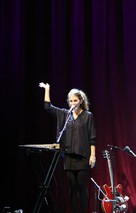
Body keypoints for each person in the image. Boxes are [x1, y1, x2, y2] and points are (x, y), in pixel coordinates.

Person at [39, 82, 96, 213]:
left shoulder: (88, 116)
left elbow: (92, 137)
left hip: (82, 156)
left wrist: (93, 155)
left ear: (81, 101)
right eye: (70, 101)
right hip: (69, 156)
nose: (73, 103)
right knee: (72, 186)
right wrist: (47, 89)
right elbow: (48, 107)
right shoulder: (65, 114)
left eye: (75, 100)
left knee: (81, 186)